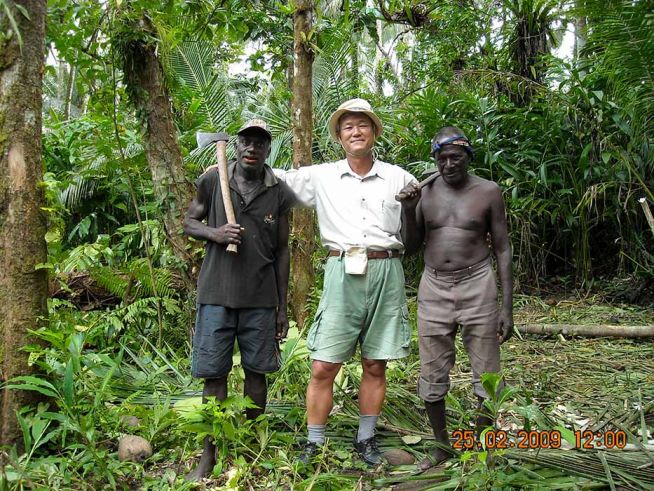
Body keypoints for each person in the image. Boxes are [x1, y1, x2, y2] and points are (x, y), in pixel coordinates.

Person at [276, 98, 417, 466]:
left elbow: (425, 217)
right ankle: (314, 441)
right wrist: (223, 169)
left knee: (376, 363)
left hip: (388, 270)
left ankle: (366, 438)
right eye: (348, 127)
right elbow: (274, 179)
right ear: (339, 136)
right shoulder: (321, 175)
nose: (356, 132)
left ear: (375, 132)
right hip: (342, 270)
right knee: (324, 364)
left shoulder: (399, 178)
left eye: (363, 125)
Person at [183, 120, 295, 480]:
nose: (252, 148)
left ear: (267, 149)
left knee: (256, 372)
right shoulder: (212, 179)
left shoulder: (278, 190)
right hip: (216, 293)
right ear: (235, 146)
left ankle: (248, 445)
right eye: (246, 141)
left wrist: (282, 307)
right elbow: (188, 222)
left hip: (261, 299)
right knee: (213, 375)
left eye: (259, 144)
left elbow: (282, 251)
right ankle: (208, 453)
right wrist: (215, 233)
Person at [398, 126, 514, 471]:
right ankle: (441, 446)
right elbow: (410, 246)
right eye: (442, 158)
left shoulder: (488, 191)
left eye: (456, 157)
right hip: (433, 285)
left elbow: (504, 248)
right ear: (434, 159)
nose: (449, 164)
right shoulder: (424, 191)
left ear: (469, 157)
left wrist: (506, 307)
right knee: (432, 375)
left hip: (478, 282)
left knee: (488, 375)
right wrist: (408, 208)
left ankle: (483, 447)